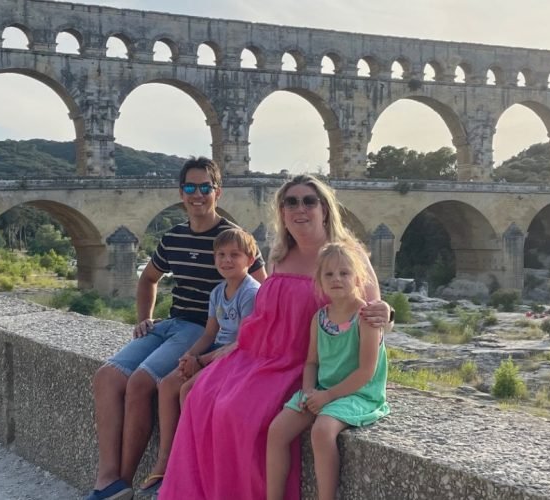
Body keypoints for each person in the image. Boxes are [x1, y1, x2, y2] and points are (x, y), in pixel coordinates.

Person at [159, 174, 392, 500]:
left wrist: (387, 314)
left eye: (309, 201)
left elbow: (371, 315)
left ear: (324, 208)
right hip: (259, 355)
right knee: (196, 394)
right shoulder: (279, 256)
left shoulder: (346, 257)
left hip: (301, 365)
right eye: (290, 202)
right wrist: (217, 355)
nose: (300, 208)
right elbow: (264, 320)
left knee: (236, 412)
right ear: (281, 212)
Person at [85, 158, 266, 500]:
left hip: (201, 329)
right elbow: (149, 278)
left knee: (140, 382)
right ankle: (107, 478)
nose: (197, 195)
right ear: (180, 193)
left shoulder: (232, 240)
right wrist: (144, 316)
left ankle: (122, 485)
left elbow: (263, 293)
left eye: (204, 187)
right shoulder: (174, 237)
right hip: (171, 323)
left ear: (217, 191)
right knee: (106, 377)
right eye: (189, 187)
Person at [137, 228, 262, 496]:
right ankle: (166, 461)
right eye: (221, 255)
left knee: (188, 389)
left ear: (250, 260)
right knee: (168, 384)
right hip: (218, 350)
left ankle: (192, 460)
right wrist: (190, 356)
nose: (227, 261)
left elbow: (245, 342)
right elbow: (209, 333)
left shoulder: (251, 293)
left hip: (240, 355)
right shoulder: (218, 292)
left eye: (234, 255)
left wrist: (202, 360)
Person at [266, 242, 390, 500]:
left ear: (358, 277)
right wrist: (309, 390)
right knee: (277, 430)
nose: (336, 279)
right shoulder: (320, 318)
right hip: (324, 390)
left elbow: (366, 371)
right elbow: (312, 362)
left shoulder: (365, 318)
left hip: (359, 393)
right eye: (329, 274)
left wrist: (327, 396)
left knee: (322, 430)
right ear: (319, 281)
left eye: (344, 273)